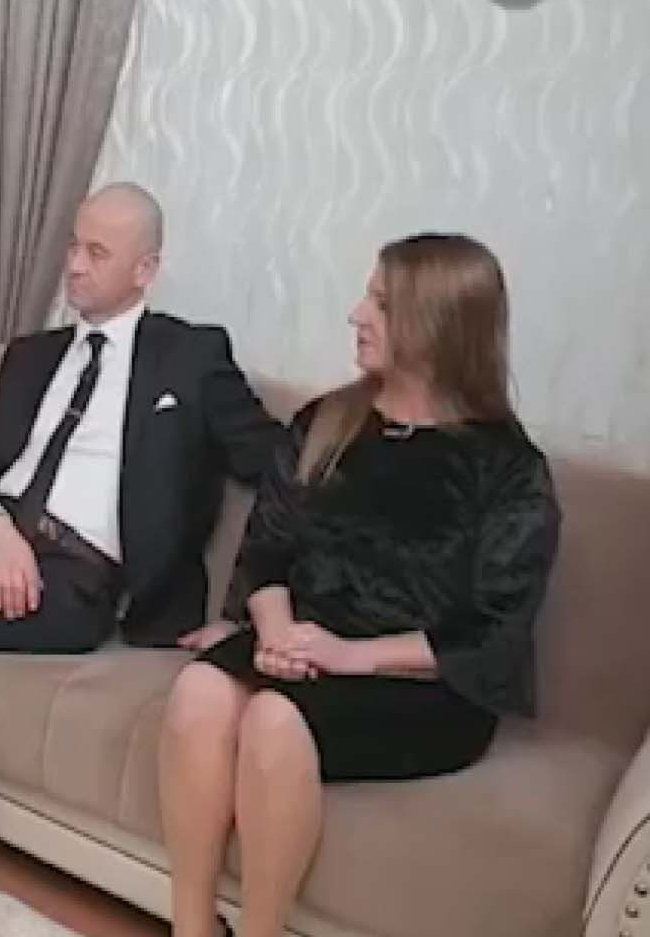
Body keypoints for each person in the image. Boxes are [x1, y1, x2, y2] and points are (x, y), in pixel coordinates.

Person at [0, 182, 284, 818]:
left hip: (73, 581)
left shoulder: (189, 357)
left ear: (145, 270)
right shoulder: (32, 356)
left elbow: (283, 469)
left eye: (97, 253)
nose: (74, 265)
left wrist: (246, 613)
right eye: (73, 245)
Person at [158, 234, 558, 937]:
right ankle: (191, 927)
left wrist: (349, 656)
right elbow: (267, 551)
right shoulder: (326, 423)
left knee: (274, 720)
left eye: (379, 302)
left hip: (420, 681)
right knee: (198, 691)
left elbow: (494, 630)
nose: (355, 314)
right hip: (305, 641)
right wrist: (277, 632)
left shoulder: (508, 468)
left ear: (435, 325)